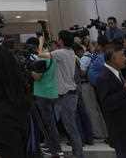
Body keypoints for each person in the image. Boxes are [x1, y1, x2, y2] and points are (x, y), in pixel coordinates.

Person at [37, 30, 84, 158]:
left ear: (61, 40)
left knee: (71, 128)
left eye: (58, 38)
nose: (57, 40)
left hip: (67, 96)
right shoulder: (70, 52)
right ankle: (54, 146)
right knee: (65, 124)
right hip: (67, 95)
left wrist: (40, 40)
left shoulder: (61, 53)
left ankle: (79, 155)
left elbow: (40, 54)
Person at [31, 35, 62, 158]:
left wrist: (30, 71)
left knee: (48, 124)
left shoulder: (42, 59)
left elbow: (37, 77)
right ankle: (51, 145)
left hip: (42, 93)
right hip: (51, 92)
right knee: (51, 122)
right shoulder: (52, 57)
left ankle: (55, 148)